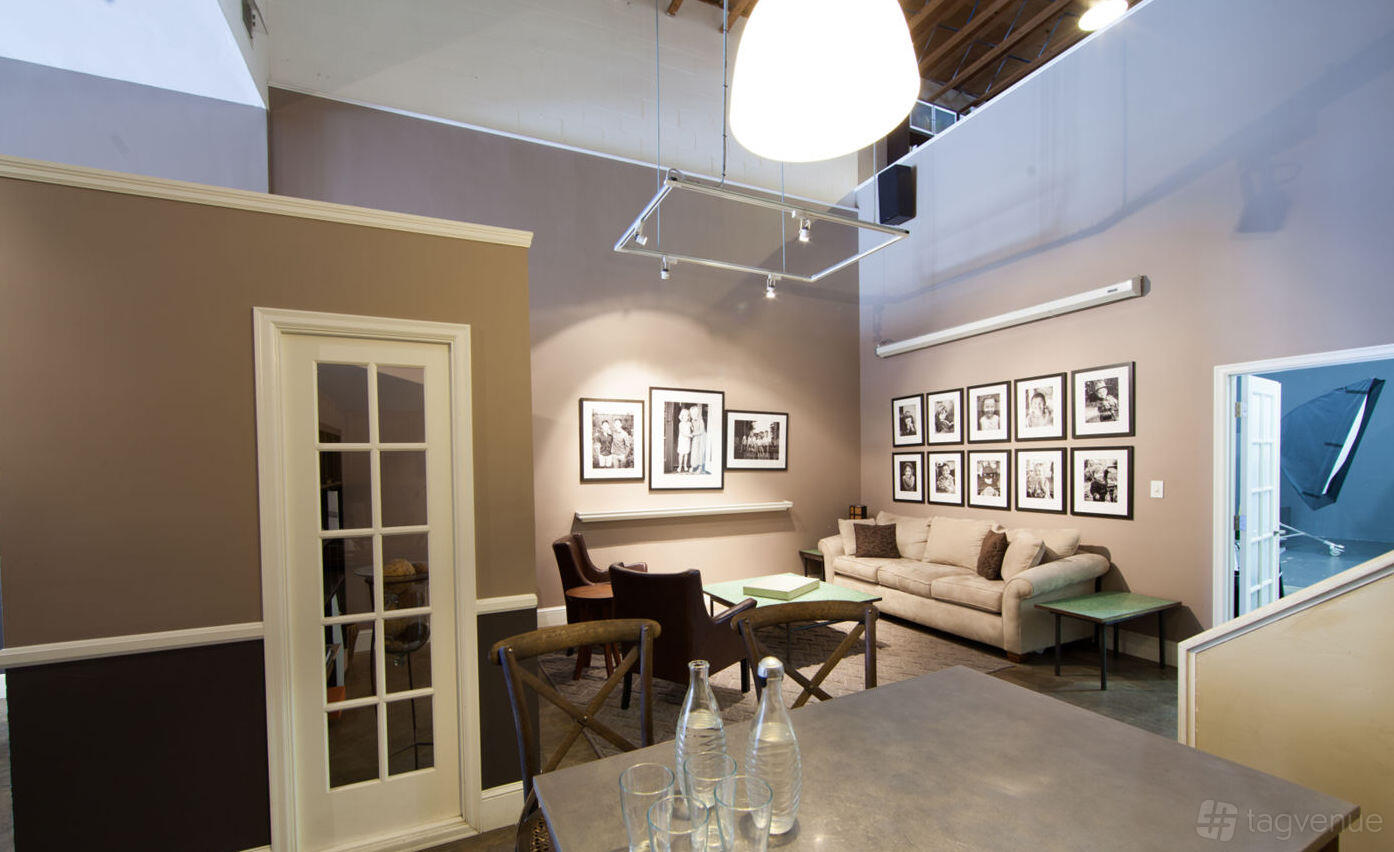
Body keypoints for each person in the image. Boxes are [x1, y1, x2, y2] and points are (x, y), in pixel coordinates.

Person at [688, 406, 706, 474]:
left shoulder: (700, 421)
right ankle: (693, 466)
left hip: (701, 438)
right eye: (691, 414)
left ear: (697, 414)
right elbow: (693, 429)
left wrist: (693, 433)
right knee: (694, 452)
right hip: (695, 438)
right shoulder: (692, 421)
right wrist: (691, 428)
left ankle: (700, 467)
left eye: (694, 414)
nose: (693, 416)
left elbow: (701, 431)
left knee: (700, 452)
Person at [676, 407, 692, 472]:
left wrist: (692, 427)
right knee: (681, 453)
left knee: (686, 453)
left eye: (688, 416)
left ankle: (685, 465)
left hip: (687, 441)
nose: (687, 417)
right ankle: (680, 466)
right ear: (682, 416)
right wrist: (689, 435)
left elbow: (692, 429)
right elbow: (682, 432)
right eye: (685, 416)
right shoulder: (681, 424)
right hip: (682, 440)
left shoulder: (689, 423)